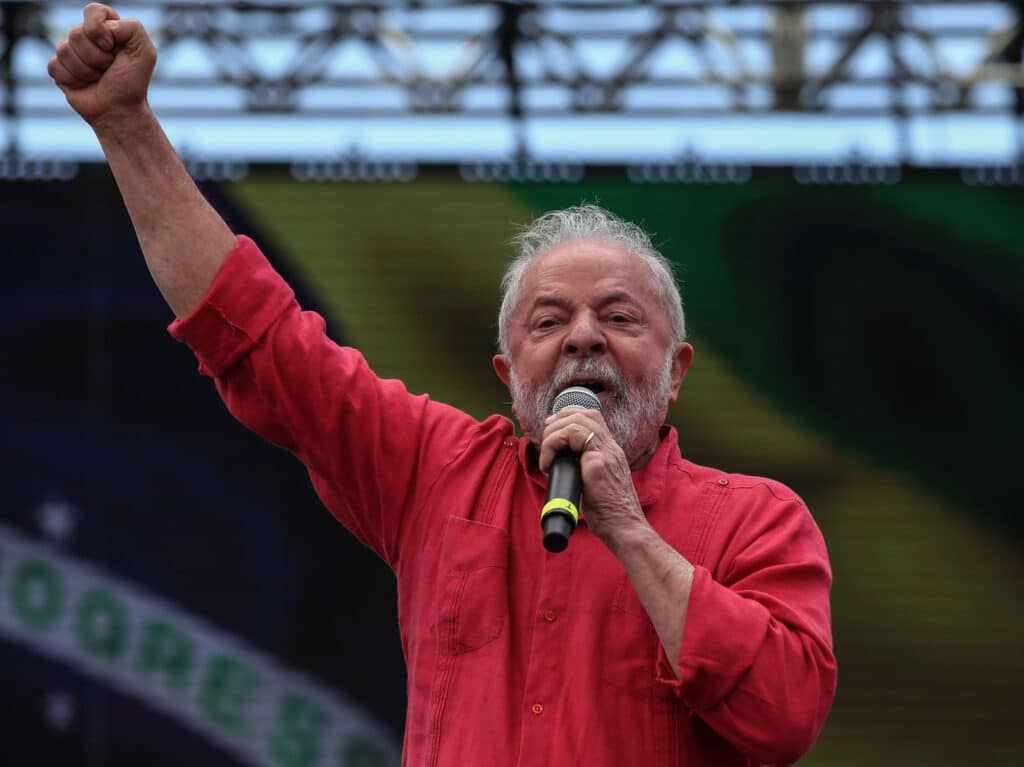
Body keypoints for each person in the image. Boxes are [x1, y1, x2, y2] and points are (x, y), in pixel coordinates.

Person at [48, 5, 836, 765]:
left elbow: (785, 715)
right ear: (508, 374)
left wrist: (628, 528)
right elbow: (257, 334)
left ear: (676, 373)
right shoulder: (435, 469)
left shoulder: (758, 521)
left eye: (620, 317)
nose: (583, 335)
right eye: (548, 320)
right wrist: (127, 127)